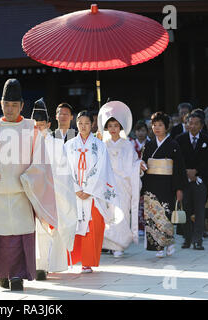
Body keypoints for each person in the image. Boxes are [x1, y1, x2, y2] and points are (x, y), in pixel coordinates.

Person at [0, 78, 57, 291]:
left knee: (20, 236)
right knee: (1, 236)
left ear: (22, 106)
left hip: (23, 193)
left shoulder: (31, 128)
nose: (10, 109)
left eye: (14, 105)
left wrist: (28, 179)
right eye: (6, 105)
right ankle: (1, 272)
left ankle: (17, 275)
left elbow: (41, 163)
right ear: (1, 104)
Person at [65, 110, 120, 272]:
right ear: (76, 124)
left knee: (92, 225)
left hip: (93, 194)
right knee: (74, 225)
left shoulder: (99, 145)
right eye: (80, 123)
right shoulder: (68, 145)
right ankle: (73, 258)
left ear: (92, 124)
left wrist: (88, 189)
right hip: (74, 193)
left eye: (86, 123)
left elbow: (103, 169)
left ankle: (87, 261)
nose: (83, 126)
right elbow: (65, 168)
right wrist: (76, 188)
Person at [31, 98, 77, 280]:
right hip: (35, 193)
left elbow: (64, 172)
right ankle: (40, 266)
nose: (39, 128)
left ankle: (53, 263)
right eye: (35, 125)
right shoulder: (28, 143)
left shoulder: (57, 144)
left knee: (54, 230)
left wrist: (52, 185)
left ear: (49, 124)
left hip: (55, 191)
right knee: (38, 231)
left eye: (42, 125)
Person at [97, 101, 146, 257]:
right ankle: (108, 244)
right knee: (109, 215)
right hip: (107, 185)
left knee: (122, 214)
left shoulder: (127, 145)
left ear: (121, 127)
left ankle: (119, 246)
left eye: (116, 126)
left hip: (123, 185)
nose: (113, 129)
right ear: (106, 128)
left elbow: (133, 164)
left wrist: (139, 165)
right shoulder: (102, 145)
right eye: (110, 126)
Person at [141, 112, 187, 258]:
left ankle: (169, 243)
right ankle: (157, 246)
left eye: (160, 125)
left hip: (168, 184)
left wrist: (179, 188)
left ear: (166, 127)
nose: (157, 128)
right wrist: (141, 165)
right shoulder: (149, 145)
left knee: (166, 215)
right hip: (151, 184)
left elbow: (179, 169)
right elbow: (143, 162)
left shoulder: (173, 145)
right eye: (154, 125)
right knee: (153, 216)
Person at [175, 112, 208, 250]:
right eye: (190, 123)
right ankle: (187, 238)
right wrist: (186, 172)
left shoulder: (207, 139)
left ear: (201, 125)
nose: (192, 126)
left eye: (195, 123)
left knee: (199, 210)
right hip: (184, 179)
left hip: (200, 179)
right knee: (186, 208)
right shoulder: (180, 139)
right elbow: (177, 160)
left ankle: (198, 239)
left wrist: (196, 171)